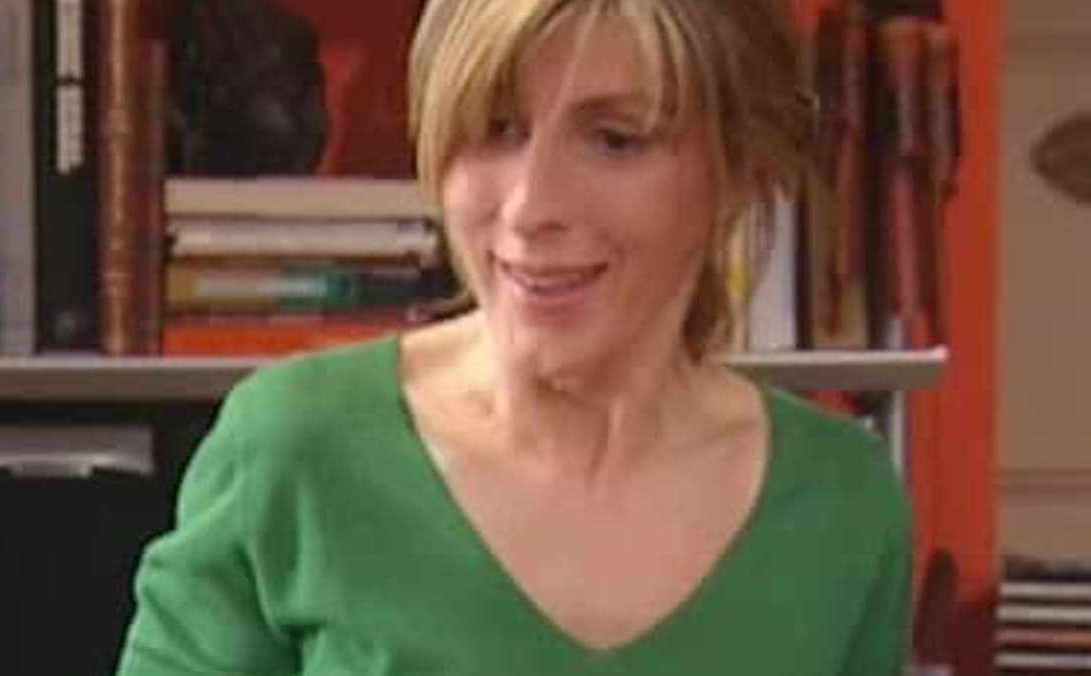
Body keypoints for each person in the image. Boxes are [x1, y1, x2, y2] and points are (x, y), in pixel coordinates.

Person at [114, 0, 912, 673]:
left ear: (739, 171)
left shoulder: (841, 502)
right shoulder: (294, 449)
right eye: (496, 130)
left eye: (616, 140)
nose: (531, 206)